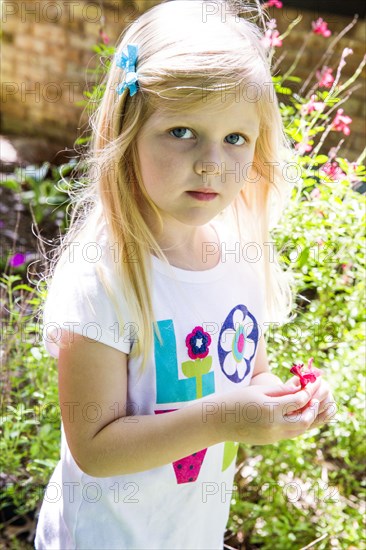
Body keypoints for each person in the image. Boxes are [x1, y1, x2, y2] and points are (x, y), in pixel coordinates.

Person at [34, 1, 333, 548]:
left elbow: (251, 378)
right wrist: (221, 418)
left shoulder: (240, 259)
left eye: (236, 139)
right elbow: (96, 448)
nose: (212, 164)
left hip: (188, 533)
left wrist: (285, 401)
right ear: (128, 133)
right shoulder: (103, 277)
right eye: (182, 131)